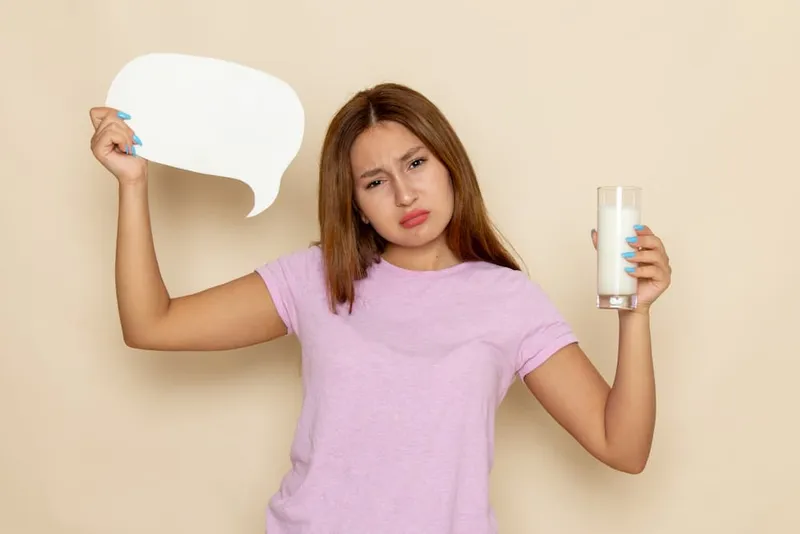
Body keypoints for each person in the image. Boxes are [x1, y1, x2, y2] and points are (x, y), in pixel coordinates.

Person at [88, 82, 672, 534]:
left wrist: (635, 315)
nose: (404, 194)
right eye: (374, 181)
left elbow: (622, 447)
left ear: (449, 165)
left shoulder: (507, 299)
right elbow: (151, 324)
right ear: (357, 205)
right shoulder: (318, 278)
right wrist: (133, 186)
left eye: (415, 163)